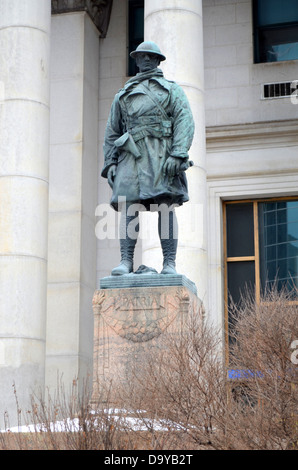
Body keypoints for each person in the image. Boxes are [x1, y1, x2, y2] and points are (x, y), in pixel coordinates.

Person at [101, 41, 195, 275]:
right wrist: (110, 162)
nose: (144, 60)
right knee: (129, 207)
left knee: (165, 206)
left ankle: (169, 264)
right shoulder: (123, 94)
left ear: (157, 60)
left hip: (161, 155)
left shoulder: (172, 90)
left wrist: (178, 153)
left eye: (149, 56)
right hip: (131, 156)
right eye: (140, 56)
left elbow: (185, 121)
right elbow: (113, 131)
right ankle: (126, 262)